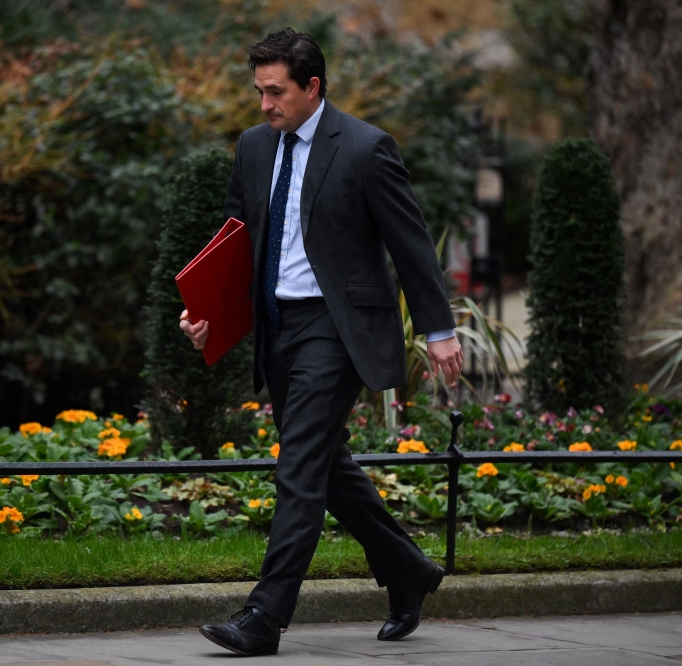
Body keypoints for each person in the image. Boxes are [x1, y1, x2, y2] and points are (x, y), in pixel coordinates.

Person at [179, 28, 463, 657]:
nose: (263, 105)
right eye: (257, 91)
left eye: (275, 92)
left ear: (312, 87)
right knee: (325, 467)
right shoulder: (254, 147)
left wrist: (439, 330)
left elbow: (410, 243)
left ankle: (264, 616)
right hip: (278, 327)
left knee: (299, 466)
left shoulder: (365, 148)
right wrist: (206, 315)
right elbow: (235, 242)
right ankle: (409, 569)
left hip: (338, 328)